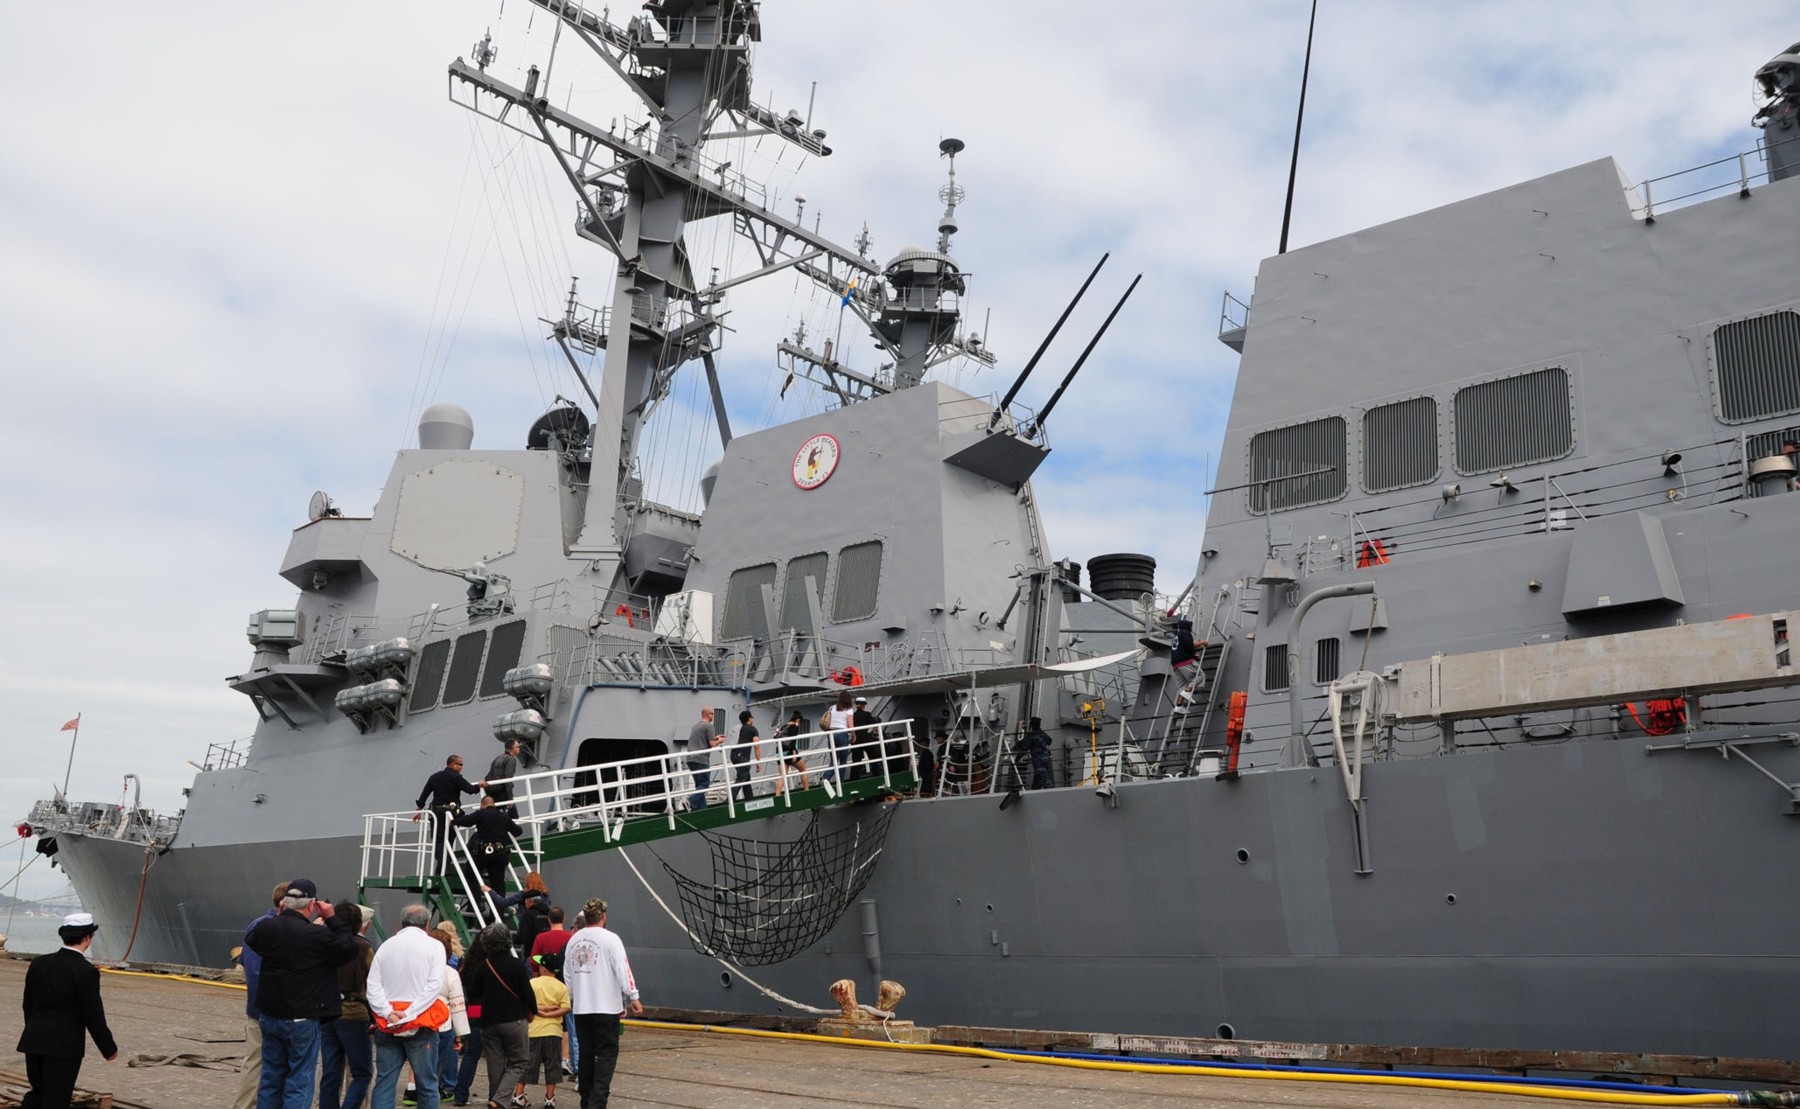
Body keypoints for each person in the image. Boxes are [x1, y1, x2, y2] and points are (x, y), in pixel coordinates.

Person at [245, 878, 361, 1109]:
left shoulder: (267, 928)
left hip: (269, 1015)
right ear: (311, 906)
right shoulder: (316, 936)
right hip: (302, 1019)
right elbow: (349, 948)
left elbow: (252, 939)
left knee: (271, 1078)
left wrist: (281, 916)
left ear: (283, 905)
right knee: (299, 1080)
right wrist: (331, 917)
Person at [17, 911, 117, 1109]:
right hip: (63, 1048)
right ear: (87, 938)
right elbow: (93, 1015)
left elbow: (27, 1004)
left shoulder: (39, 964)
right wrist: (108, 1048)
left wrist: (34, 1029)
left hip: (33, 1041)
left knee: (38, 1094)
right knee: (57, 1098)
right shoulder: (86, 971)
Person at [367, 904, 448, 1109]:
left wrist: (388, 1012)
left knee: (384, 1082)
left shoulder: (386, 946)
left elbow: (373, 986)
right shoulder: (435, 947)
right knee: (427, 1085)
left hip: (388, 1024)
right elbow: (434, 986)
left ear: (399, 924)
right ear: (427, 925)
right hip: (421, 1024)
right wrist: (409, 1013)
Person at [564, 898, 642, 1109]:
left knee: (587, 1055)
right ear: (603, 917)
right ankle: (597, 1102)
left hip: (582, 1008)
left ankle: (586, 1098)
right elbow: (622, 969)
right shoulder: (611, 939)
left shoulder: (573, 940)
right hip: (606, 1007)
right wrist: (633, 996)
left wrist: (573, 997)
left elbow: (568, 975)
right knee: (607, 1055)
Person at [461, 922, 533, 1109]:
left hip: (489, 1021)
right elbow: (527, 992)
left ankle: (496, 1099)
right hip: (514, 1019)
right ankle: (500, 1100)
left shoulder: (483, 967)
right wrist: (533, 1010)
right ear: (508, 941)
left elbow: (474, 992)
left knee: (495, 1065)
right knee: (519, 1061)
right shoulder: (517, 965)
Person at [234, 881, 290, 1109]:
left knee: (258, 1062)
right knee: (257, 1062)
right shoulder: (269, 928)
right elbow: (257, 973)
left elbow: (246, 964)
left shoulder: (257, 925)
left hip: (260, 1008)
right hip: (268, 1011)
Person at [318, 902, 375, 1109]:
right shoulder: (364, 948)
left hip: (327, 1013)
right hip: (353, 1013)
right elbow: (374, 982)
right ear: (358, 924)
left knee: (331, 1072)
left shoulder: (323, 945)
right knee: (362, 1073)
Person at [528, 908, 577, 1078]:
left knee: (540, 1020)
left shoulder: (541, 938)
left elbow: (533, 960)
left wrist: (537, 977)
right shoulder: (570, 938)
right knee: (565, 1024)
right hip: (564, 982)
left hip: (543, 983)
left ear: (549, 920)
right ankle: (565, 1058)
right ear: (564, 919)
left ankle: (539, 1057)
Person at [412, 756, 486, 871]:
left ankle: (442, 867)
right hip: (451, 814)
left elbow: (424, 795)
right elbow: (470, 790)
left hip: (436, 813)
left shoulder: (434, 777)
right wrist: (479, 785)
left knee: (439, 840)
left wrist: (419, 810)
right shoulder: (456, 777)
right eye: (459, 764)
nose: (461, 767)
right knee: (449, 840)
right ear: (452, 764)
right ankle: (445, 865)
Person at [516, 956, 570, 1109]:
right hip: (553, 1031)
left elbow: (524, 1003)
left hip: (533, 1030)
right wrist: (549, 1012)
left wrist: (538, 1009)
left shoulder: (532, 983)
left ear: (543, 968)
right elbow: (566, 1007)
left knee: (527, 1064)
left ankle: (518, 1094)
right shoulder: (561, 987)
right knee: (552, 1065)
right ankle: (550, 1098)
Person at [454, 796, 522, 897]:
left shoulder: (481, 814)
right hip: (500, 854)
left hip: (483, 853)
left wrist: (453, 821)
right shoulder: (504, 817)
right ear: (493, 804)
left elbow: (466, 821)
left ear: (482, 805)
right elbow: (518, 831)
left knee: (470, 874)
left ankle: (477, 902)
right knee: (498, 885)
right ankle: (498, 912)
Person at [431, 929, 468, 1103]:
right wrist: (459, 1036)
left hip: (419, 1023)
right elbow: (457, 1005)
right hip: (443, 1023)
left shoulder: (420, 968)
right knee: (437, 1065)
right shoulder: (450, 973)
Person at [681, 708, 724, 811]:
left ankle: (702, 810)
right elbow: (712, 744)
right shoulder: (708, 726)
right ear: (707, 714)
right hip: (701, 759)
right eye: (712, 714)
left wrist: (715, 738)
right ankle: (690, 801)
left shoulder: (695, 726)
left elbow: (704, 740)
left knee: (699, 786)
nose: (713, 716)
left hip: (691, 759)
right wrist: (720, 741)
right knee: (705, 784)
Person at [821, 692, 855, 786]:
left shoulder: (832, 707)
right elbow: (850, 725)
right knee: (843, 761)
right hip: (842, 733)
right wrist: (854, 735)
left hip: (831, 733)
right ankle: (840, 783)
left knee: (834, 760)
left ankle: (826, 778)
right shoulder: (849, 710)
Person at [774, 710, 810, 795]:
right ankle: (807, 791)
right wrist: (794, 753)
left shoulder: (784, 726)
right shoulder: (794, 727)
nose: (799, 725)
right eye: (800, 723)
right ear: (798, 720)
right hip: (789, 751)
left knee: (782, 775)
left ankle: (777, 795)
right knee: (803, 770)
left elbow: (775, 737)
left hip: (780, 752)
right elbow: (793, 741)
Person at [730, 709, 762, 802]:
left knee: (746, 777)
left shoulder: (738, 728)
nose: (753, 719)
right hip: (743, 756)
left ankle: (749, 798)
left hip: (733, 755)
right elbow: (756, 746)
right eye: (752, 717)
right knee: (741, 777)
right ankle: (730, 799)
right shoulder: (753, 729)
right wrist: (758, 761)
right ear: (749, 719)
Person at [484, 739, 524, 811]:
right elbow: (508, 779)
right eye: (518, 747)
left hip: (491, 791)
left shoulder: (498, 758)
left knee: (496, 814)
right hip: (501, 792)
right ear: (512, 748)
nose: (519, 749)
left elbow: (489, 775)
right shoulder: (511, 759)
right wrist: (510, 798)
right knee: (513, 815)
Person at [850, 696, 879, 780]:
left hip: (855, 740)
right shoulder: (866, 714)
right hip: (865, 739)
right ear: (864, 705)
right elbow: (873, 722)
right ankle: (877, 775)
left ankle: (854, 779)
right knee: (873, 757)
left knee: (856, 760)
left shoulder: (853, 715)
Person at [1023, 717, 1054, 790]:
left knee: (1044, 780)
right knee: (1037, 781)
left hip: (1038, 760)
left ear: (1032, 725)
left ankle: (1053, 793)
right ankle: (1034, 791)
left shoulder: (1031, 735)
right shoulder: (1042, 733)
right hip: (1046, 758)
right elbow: (1049, 741)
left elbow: (1024, 746)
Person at [915, 731, 941, 797]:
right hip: (924, 775)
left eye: (923, 743)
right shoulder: (924, 753)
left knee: (926, 790)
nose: (921, 745)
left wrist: (920, 767)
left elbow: (928, 766)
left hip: (927, 776)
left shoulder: (928, 754)